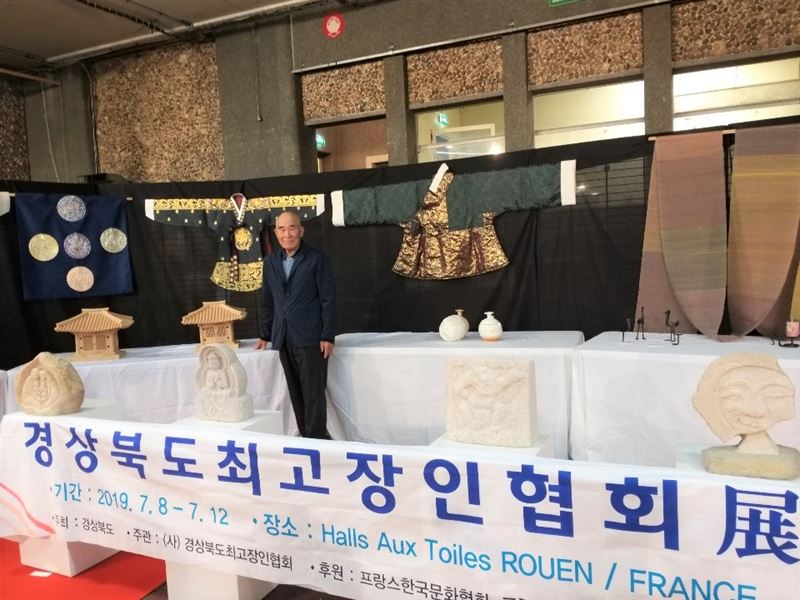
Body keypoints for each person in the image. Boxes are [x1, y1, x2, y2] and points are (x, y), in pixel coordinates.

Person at [256, 211, 336, 439]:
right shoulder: (270, 262)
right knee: (296, 391)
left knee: (313, 394)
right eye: (282, 229)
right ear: (275, 233)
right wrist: (265, 333)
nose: (287, 234)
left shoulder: (316, 258)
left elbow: (328, 298)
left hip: (311, 338)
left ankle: (318, 440)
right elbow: (268, 301)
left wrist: (327, 335)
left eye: (292, 228)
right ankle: (305, 437)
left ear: (301, 231)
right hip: (283, 337)